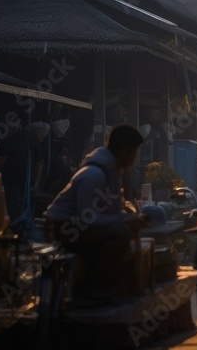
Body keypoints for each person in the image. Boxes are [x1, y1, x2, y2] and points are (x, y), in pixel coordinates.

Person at [44, 124, 146, 300]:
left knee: (126, 230)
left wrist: (129, 219)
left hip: (80, 226)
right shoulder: (94, 175)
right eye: (134, 152)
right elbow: (87, 218)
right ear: (124, 152)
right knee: (121, 234)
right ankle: (95, 288)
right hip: (64, 229)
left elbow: (113, 210)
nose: (135, 159)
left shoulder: (113, 172)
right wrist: (122, 222)